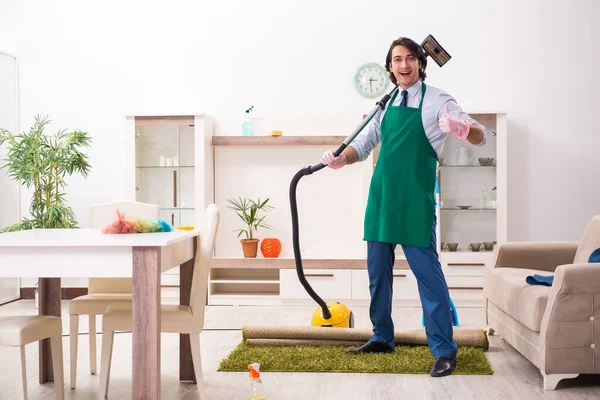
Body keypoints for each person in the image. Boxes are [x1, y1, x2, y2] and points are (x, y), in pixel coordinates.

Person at [321, 37, 486, 377]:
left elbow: (480, 135)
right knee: (377, 275)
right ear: (390, 67)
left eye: (410, 58)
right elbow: (364, 143)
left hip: (415, 201)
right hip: (382, 198)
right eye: (397, 59)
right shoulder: (387, 101)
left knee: (429, 279)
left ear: (421, 63)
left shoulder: (440, 100)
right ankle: (382, 337)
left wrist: (461, 127)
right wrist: (341, 159)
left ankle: (443, 350)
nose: (404, 65)